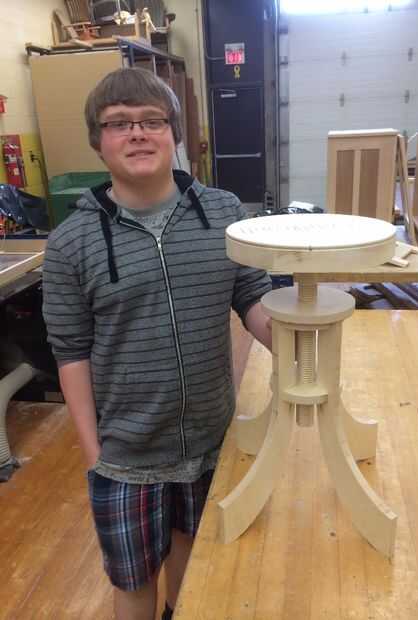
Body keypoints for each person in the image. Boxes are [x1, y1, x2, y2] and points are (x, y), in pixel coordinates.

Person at [42, 67, 272, 620]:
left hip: (211, 442)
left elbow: (252, 299)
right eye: (119, 123)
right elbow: (71, 354)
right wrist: (95, 458)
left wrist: (297, 338)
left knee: (194, 557)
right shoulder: (71, 243)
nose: (138, 133)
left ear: (174, 134)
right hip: (126, 457)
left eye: (152, 121)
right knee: (133, 579)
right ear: (98, 141)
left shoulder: (223, 213)